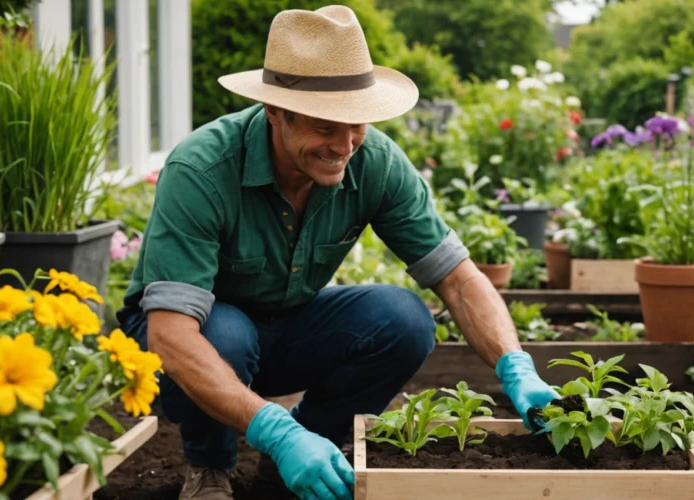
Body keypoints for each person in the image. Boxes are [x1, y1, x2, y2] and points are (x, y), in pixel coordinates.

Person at [114, 5, 559, 500]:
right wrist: (274, 429)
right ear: (274, 113)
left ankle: (305, 450)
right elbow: (171, 334)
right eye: (326, 126)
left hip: (285, 327)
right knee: (226, 333)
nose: (345, 145)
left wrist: (516, 366)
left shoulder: (374, 161)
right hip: (188, 342)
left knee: (403, 320)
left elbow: (456, 276)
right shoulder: (202, 169)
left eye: (357, 126)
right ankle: (210, 466)